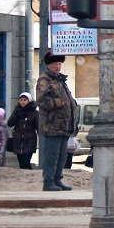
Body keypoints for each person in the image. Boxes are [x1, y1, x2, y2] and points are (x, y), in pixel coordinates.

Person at [36, 52, 77, 191]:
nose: (58, 67)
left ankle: (57, 180)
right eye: (55, 64)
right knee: (51, 156)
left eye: (59, 64)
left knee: (61, 156)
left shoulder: (60, 80)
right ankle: (48, 182)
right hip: (52, 125)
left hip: (64, 126)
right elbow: (41, 101)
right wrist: (60, 102)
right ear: (49, 65)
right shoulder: (44, 80)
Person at [6, 92, 39, 169]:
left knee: (26, 161)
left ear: (29, 101)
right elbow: (10, 123)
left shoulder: (34, 112)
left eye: (25, 100)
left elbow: (38, 126)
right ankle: (24, 178)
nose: (22, 102)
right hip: (18, 140)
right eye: (21, 100)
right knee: (21, 163)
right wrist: (16, 115)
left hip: (29, 140)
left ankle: (29, 176)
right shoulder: (17, 111)